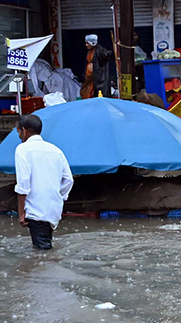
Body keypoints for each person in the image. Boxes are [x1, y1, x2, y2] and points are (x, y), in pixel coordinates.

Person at [14, 113, 74, 250]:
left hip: (35, 209)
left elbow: (23, 183)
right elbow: (68, 180)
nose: (19, 136)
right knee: (46, 245)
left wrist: (21, 213)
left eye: (18, 132)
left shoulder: (22, 150)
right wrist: (59, 197)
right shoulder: (56, 150)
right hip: (53, 209)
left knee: (42, 254)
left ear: (24, 130)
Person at [79, 33, 116, 99]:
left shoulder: (99, 50)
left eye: (88, 43)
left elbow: (108, 55)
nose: (86, 45)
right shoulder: (90, 51)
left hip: (98, 78)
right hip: (90, 78)